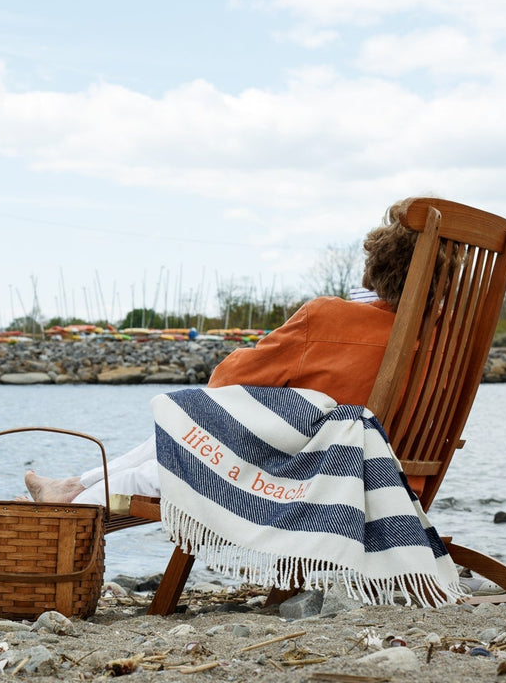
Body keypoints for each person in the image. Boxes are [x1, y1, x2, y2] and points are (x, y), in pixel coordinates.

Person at [24, 197, 428, 507]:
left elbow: (225, 381)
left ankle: (68, 503)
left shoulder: (332, 320)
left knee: (184, 440)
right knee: (185, 437)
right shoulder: (442, 342)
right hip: (397, 483)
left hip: (319, 480)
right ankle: (75, 485)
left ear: (376, 268)